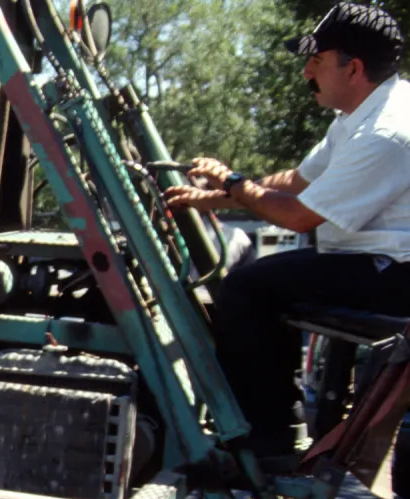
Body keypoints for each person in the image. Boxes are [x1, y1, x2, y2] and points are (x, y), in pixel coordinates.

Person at [163, 1, 410, 469]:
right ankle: (282, 418)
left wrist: (237, 185)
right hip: (375, 261)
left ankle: (266, 438)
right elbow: (296, 181)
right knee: (264, 282)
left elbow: (297, 216)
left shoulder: (386, 132)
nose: (305, 72)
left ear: (352, 67)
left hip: (395, 276)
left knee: (246, 288)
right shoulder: (359, 116)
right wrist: (215, 195)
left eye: (315, 61)